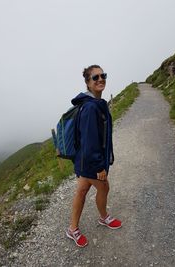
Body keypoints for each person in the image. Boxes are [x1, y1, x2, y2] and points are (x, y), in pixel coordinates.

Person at [66, 65, 122, 248]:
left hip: (83, 159)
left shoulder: (94, 103)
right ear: (88, 83)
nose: (100, 79)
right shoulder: (90, 107)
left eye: (103, 75)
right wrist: (99, 167)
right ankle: (104, 217)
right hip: (90, 161)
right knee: (104, 187)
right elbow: (90, 142)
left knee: (81, 191)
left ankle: (72, 228)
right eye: (95, 77)